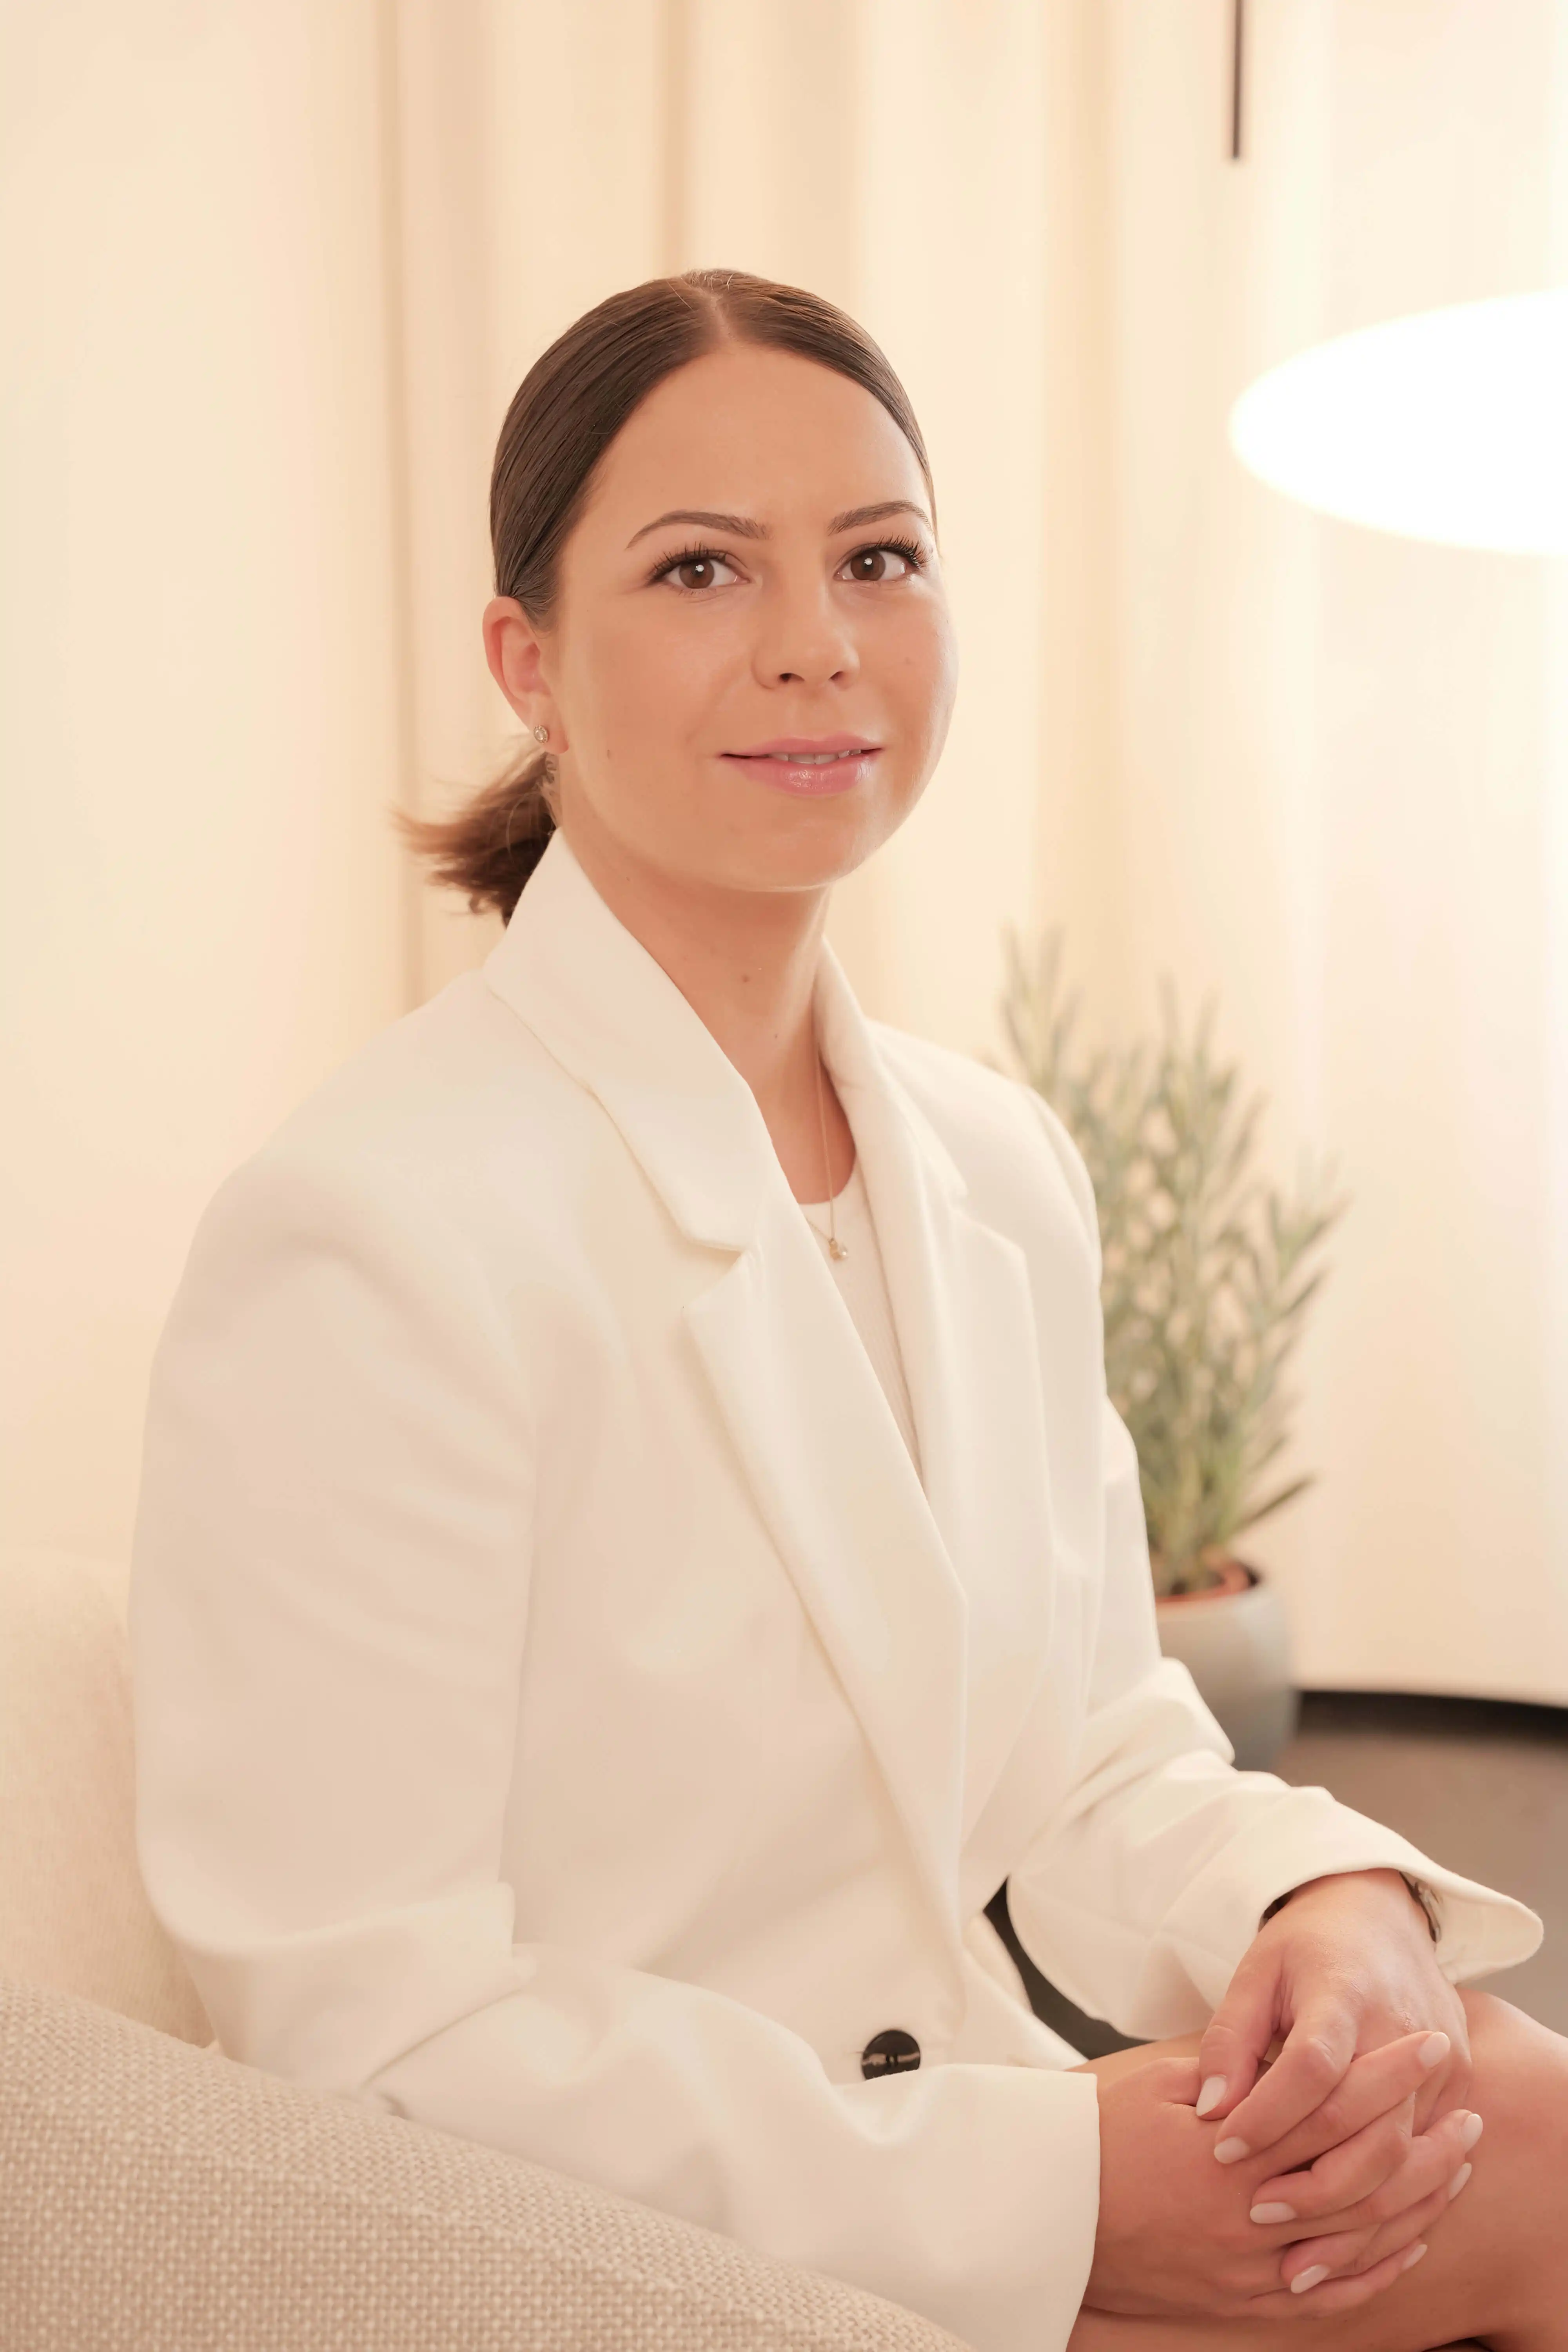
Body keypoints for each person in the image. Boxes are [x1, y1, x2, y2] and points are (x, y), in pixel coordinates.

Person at [127, 269, 1566, 2352]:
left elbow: (1078, 1747)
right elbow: (371, 2040)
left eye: (879, 558)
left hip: (979, 2166)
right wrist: (1067, 2191)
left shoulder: (991, 1165)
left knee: (1507, 2112)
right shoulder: (368, 1236)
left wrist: (1320, 1907)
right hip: (651, 2264)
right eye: (701, 567)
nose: (817, 640)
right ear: (526, 658)